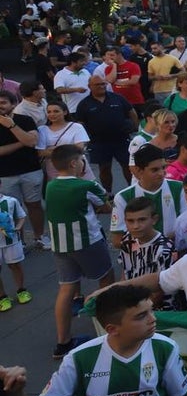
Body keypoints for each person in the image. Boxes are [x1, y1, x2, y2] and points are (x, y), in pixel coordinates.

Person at [1, 285, 187, 396]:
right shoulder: (78, 359)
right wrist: (15, 392)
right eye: (141, 316)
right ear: (112, 329)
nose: (153, 319)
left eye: (151, 310)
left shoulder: (165, 347)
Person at [44, 145, 115, 359]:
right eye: (82, 159)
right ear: (74, 163)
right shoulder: (86, 185)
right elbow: (107, 205)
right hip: (87, 241)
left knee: (67, 289)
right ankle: (109, 330)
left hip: (60, 245)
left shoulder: (51, 186)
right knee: (106, 281)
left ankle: (63, 341)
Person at [0, 89, 46, 249]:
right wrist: (23, 142)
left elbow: (33, 142)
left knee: (34, 205)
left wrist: (11, 125)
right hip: (5, 175)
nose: (0, 106)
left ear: (13, 104)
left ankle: (40, 237)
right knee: (12, 209)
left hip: (31, 170)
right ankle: (19, 242)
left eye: (3, 103)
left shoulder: (25, 120)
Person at [0, 191, 28, 312]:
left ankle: (21, 290)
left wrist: (18, 227)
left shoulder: (11, 201)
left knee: (15, 265)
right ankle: (2, 297)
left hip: (11, 241)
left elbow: (21, 216)